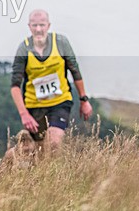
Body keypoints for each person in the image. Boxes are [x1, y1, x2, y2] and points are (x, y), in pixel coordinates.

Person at [9, 9, 93, 153]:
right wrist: (24, 114)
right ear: (29, 26)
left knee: (53, 142)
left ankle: (50, 168)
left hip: (60, 102)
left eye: (42, 25)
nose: (38, 29)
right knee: (31, 150)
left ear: (48, 25)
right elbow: (15, 86)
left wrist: (84, 100)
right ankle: (10, 159)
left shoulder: (61, 43)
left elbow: (75, 71)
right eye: (35, 25)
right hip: (34, 106)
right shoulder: (24, 49)